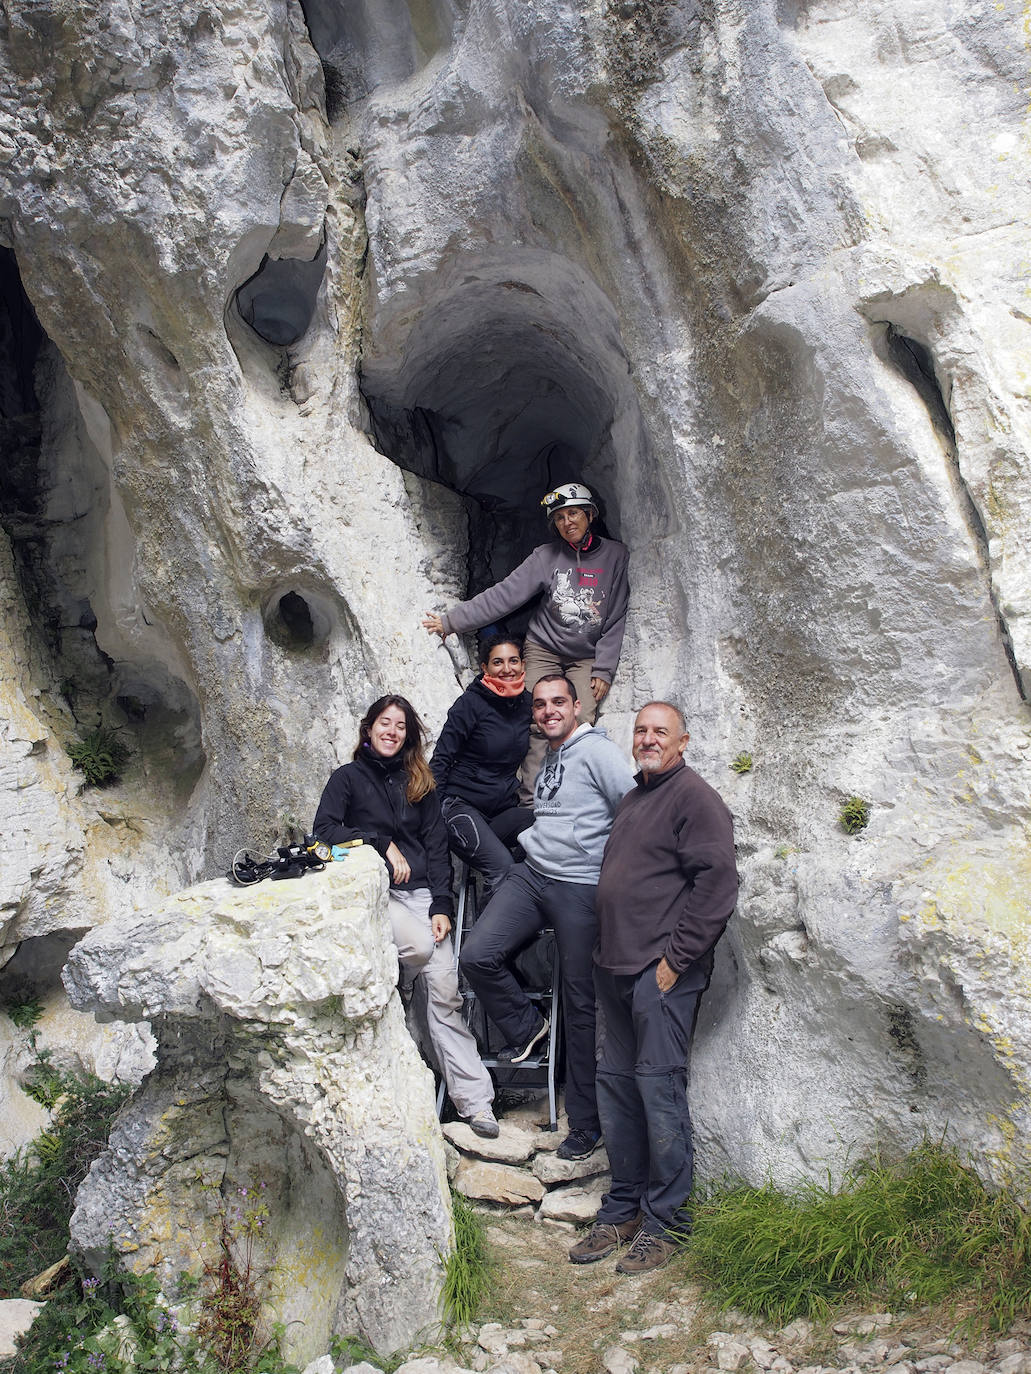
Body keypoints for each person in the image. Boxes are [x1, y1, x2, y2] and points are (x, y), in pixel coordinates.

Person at [568, 702, 738, 1273]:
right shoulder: (634, 798)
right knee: (617, 1090)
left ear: (682, 741)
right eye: (640, 730)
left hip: (658, 975)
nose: (647, 739)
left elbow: (717, 882)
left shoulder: (694, 798)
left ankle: (667, 1225)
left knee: (658, 1092)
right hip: (614, 969)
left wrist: (675, 960)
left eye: (659, 732)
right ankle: (623, 1211)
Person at [459, 674, 635, 1161]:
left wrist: (617, 879)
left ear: (577, 706)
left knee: (582, 1004)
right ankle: (527, 1026)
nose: (548, 711)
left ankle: (585, 1123)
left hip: (579, 886)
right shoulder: (553, 756)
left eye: (558, 702)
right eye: (539, 705)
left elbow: (633, 810)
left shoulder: (598, 752)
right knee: (477, 955)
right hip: (533, 876)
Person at [312, 694, 499, 1138]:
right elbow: (322, 834)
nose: (391, 731)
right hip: (378, 898)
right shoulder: (347, 779)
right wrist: (378, 842)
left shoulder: (422, 784)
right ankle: (403, 978)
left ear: (409, 736)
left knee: (447, 993)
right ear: (369, 728)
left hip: (420, 900)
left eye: (400, 726)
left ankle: (477, 1104)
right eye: (384, 722)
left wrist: (441, 905)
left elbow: (437, 849)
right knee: (416, 946)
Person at [421, 483, 629, 791]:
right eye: (559, 518)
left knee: (579, 719)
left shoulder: (615, 555)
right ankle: (531, 798)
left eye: (573, 513)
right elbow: (505, 595)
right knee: (536, 715)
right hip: (544, 647)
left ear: (590, 515)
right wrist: (452, 622)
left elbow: (616, 614)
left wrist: (604, 668)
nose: (567, 522)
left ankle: (569, 794)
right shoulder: (546, 557)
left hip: (586, 654)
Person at [429, 636, 534, 898]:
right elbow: (441, 760)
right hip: (461, 806)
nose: (506, 669)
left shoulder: (527, 704)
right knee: (502, 868)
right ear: (485, 668)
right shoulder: (470, 704)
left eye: (513, 661)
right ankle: (497, 939)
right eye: (497, 662)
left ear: (523, 666)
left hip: (500, 809)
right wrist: (430, 818)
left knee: (546, 836)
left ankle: (529, 929)